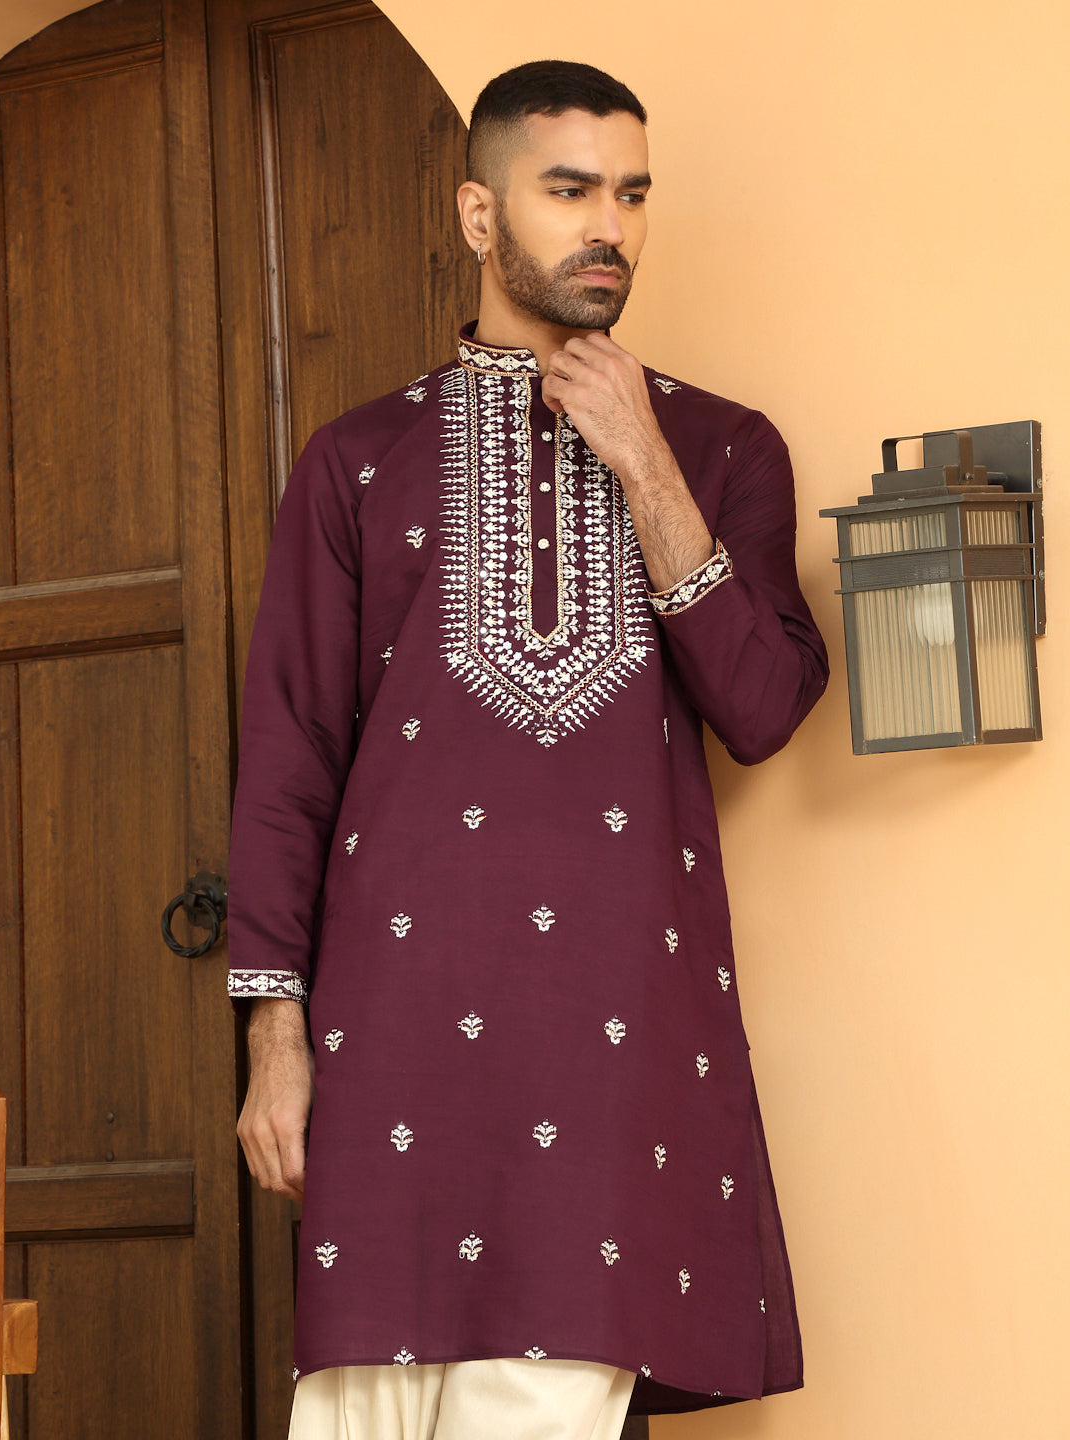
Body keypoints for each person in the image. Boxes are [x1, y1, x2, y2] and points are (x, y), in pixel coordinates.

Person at [229, 59, 829, 1440]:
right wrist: (274, 1039)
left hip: (610, 1052)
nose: (609, 225)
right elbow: (290, 758)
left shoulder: (722, 450)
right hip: (387, 1043)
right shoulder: (358, 462)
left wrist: (643, 461)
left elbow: (761, 708)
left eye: (632, 194)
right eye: (569, 190)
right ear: (479, 214)